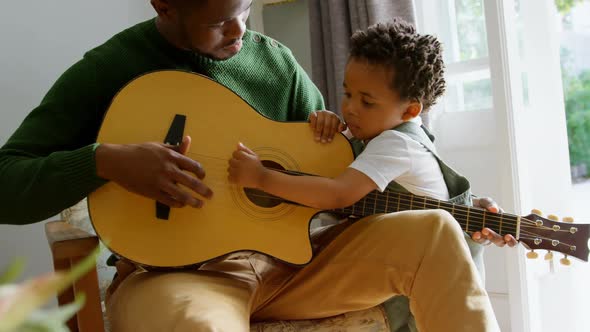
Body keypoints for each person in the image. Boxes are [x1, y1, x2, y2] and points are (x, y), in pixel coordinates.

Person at [0, 1, 515, 331]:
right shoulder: (108, 69)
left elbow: (354, 170)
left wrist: (459, 207)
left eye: (244, 8)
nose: (240, 29)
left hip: (300, 263)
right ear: (165, 5)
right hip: (181, 277)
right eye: (218, 20)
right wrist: (105, 161)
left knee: (434, 232)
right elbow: (8, 179)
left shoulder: (275, 63)